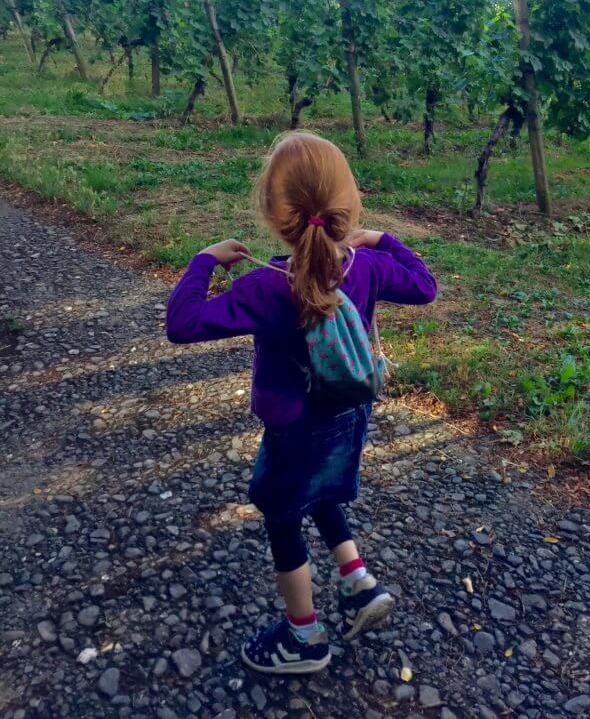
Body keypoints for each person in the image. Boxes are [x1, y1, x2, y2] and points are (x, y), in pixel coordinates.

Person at [166, 131, 438, 674]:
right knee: (316, 488)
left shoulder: (264, 287)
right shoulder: (366, 267)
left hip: (293, 429)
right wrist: (381, 239)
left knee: (281, 512)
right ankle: (357, 580)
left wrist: (203, 261)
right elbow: (425, 285)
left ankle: (304, 638)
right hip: (348, 415)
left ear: (274, 212)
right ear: (346, 206)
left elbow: (182, 323)